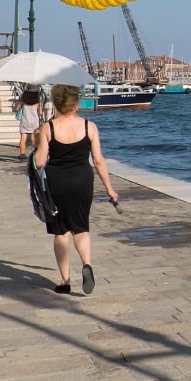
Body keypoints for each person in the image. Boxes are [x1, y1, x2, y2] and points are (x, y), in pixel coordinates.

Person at [33, 85, 117, 295]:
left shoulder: (48, 127)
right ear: (76, 103)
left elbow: (40, 161)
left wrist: (37, 143)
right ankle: (86, 263)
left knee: (61, 232)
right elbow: (98, 161)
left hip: (57, 182)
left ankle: (65, 280)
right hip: (82, 180)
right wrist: (109, 189)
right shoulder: (90, 126)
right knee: (81, 227)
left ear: (57, 104)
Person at [13, 86, 42, 160]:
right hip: (34, 121)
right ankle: (34, 153)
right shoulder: (38, 101)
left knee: (23, 137)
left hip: (25, 120)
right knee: (33, 137)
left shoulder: (23, 100)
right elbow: (40, 113)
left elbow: (16, 109)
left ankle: (22, 154)